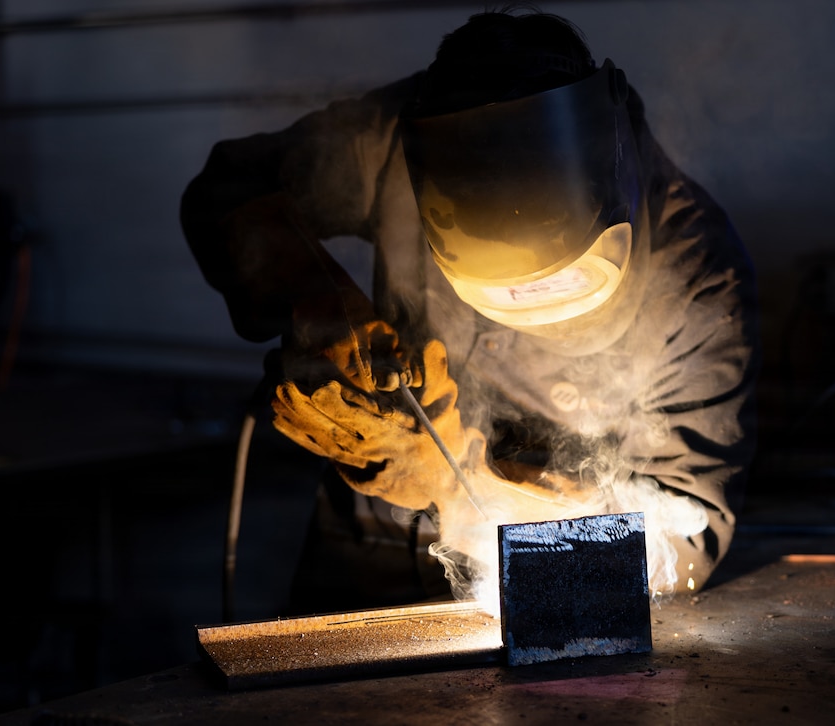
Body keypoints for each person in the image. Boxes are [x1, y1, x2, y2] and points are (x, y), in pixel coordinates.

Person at [180, 7, 759, 613]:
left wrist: (461, 484)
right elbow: (230, 190)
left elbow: (684, 539)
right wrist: (316, 296)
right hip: (366, 547)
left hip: (542, 586)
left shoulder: (697, 278)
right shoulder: (395, 139)